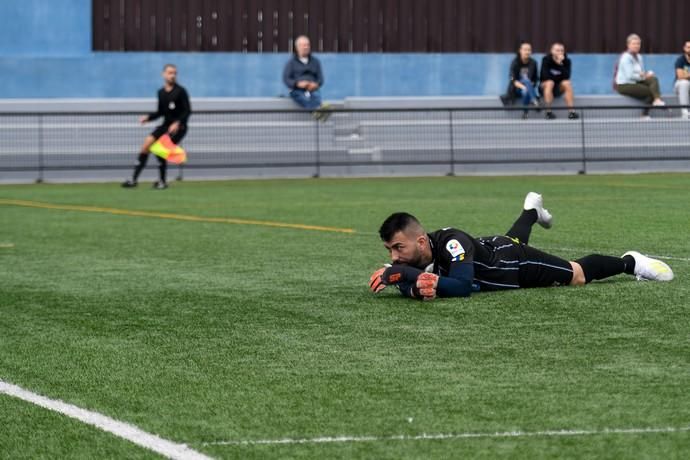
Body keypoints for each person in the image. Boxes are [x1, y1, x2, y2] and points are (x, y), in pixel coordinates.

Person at [369, 192, 673, 300]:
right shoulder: (416, 256)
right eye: (390, 252)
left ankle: (630, 262)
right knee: (511, 237)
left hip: (512, 264)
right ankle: (531, 210)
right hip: (493, 250)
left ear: (421, 241)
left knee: (577, 275)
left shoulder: (452, 243)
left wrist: (405, 279)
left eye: (398, 248)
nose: (395, 257)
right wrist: (405, 283)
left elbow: (461, 287)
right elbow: (420, 281)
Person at [122, 64, 191, 189]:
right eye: (170, 73)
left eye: (174, 73)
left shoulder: (181, 91)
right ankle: (133, 180)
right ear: (163, 74)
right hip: (165, 125)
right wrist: (148, 118)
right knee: (146, 144)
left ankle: (162, 182)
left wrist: (178, 122)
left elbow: (187, 111)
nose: (172, 76)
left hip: (179, 128)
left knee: (159, 148)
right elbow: (160, 112)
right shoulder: (161, 92)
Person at [615, 34, 665, 119]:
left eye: (638, 44)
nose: (636, 46)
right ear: (628, 45)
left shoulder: (639, 57)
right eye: (634, 44)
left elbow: (640, 72)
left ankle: (657, 100)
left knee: (653, 79)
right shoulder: (625, 58)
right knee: (651, 91)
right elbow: (630, 76)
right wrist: (644, 76)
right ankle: (644, 114)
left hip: (636, 81)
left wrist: (646, 74)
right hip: (624, 85)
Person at [282, 35, 330, 120]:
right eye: (303, 45)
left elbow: (320, 79)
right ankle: (318, 110)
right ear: (297, 47)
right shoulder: (291, 63)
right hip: (297, 90)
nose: (306, 47)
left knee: (316, 95)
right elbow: (286, 79)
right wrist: (298, 84)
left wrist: (315, 84)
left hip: (312, 89)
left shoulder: (316, 62)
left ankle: (318, 111)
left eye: (307, 45)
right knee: (302, 98)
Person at [540, 42, 579, 120]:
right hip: (545, 87)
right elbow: (545, 76)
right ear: (552, 51)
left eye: (562, 50)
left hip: (558, 88)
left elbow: (567, 76)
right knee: (550, 82)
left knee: (567, 83)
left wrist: (560, 63)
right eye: (557, 50)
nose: (560, 52)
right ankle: (548, 112)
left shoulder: (567, 61)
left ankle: (571, 112)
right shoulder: (546, 60)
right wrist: (558, 77)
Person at [505, 41, 540, 119]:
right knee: (526, 81)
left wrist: (530, 86)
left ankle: (525, 114)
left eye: (529, 50)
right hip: (516, 88)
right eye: (525, 49)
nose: (527, 52)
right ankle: (534, 101)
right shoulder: (515, 62)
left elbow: (536, 78)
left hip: (527, 89)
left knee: (525, 91)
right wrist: (525, 87)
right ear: (520, 50)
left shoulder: (533, 63)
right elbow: (512, 80)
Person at [673, 41, 690, 119]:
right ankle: (685, 112)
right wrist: (685, 76)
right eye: (688, 47)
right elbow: (680, 76)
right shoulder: (680, 60)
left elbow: (684, 75)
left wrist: (686, 75)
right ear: (684, 48)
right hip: (679, 86)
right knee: (684, 83)